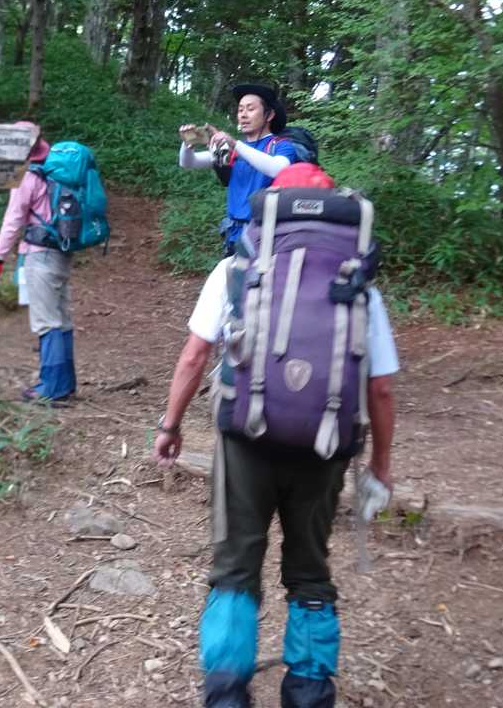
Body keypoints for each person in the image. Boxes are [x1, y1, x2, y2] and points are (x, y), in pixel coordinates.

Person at [154, 163, 398, 708]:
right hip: (325, 442)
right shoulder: (361, 285)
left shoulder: (235, 269)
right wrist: (381, 466)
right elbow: (380, 389)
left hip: (246, 436)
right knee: (310, 570)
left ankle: (225, 694)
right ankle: (309, 692)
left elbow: (195, 356)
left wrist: (170, 425)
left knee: (235, 567)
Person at [0, 123, 75, 402]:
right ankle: (65, 384)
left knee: (47, 321)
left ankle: (51, 388)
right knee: (61, 319)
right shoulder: (56, 172)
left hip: (40, 255)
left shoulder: (27, 177)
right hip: (61, 252)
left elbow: (13, 219)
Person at [179, 83, 301, 255]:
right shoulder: (234, 149)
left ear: (269, 115)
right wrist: (188, 143)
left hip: (266, 236)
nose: (243, 115)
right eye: (240, 110)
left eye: (250, 109)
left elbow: (278, 169)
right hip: (234, 233)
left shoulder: (281, 146)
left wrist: (234, 144)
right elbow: (188, 163)